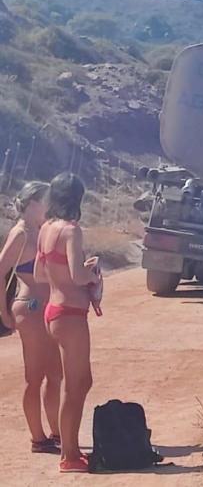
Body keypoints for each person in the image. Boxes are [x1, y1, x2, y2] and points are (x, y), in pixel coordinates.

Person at [34, 173, 100, 474]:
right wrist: (92, 273)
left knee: (73, 383)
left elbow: (38, 273)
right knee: (77, 385)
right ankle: (69, 456)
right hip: (71, 315)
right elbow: (77, 276)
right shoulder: (72, 231)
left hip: (53, 310)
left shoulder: (45, 228)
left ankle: (69, 450)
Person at [0, 181, 62, 454]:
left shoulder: (40, 230)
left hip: (45, 308)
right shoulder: (21, 234)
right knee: (34, 376)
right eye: (47, 200)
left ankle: (56, 432)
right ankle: (38, 438)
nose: (50, 206)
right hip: (31, 307)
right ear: (33, 203)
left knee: (55, 374)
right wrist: (3, 312)